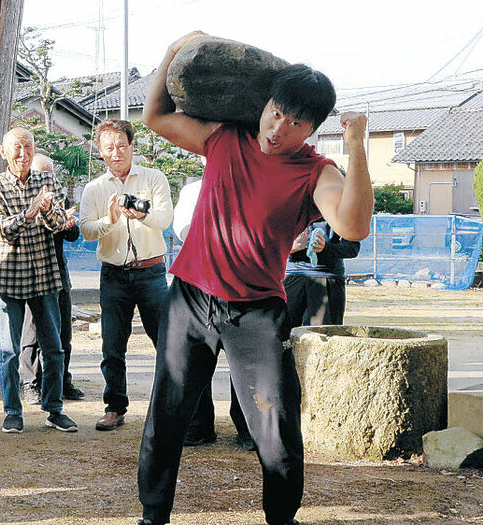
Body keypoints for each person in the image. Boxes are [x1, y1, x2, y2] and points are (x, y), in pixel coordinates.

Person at [137, 32, 373, 525]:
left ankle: (281, 519)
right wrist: (170, 53)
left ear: (312, 129)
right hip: (190, 300)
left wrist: (357, 149)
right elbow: (154, 118)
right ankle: (152, 515)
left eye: (296, 122)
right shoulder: (224, 138)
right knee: (167, 415)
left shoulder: (315, 172)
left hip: (256, 312)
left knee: (276, 426)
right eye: (275, 111)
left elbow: (352, 225)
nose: (278, 127)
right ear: (263, 103)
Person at [79, 119, 173, 432]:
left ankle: (168, 408)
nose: (116, 152)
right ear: (100, 151)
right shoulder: (94, 188)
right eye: (108, 147)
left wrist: (141, 215)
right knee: (112, 346)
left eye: (122, 145)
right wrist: (111, 219)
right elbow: (86, 230)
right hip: (113, 275)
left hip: (151, 271)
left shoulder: (153, 177)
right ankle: (114, 408)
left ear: (132, 146)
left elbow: (164, 218)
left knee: (166, 343)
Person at [0, 128, 77, 434]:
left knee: (54, 346)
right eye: (16, 148)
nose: (22, 153)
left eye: (27, 147)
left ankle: (54, 408)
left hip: (45, 276)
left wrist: (48, 212)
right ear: (3, 152)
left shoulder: (47, 180)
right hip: (9, 277)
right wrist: (30, 211)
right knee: (9, 350)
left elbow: (62, 224)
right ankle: (12, 410)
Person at [173, 171, 254, 450]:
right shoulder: (192, 190)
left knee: (245, 364)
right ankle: (197, 427)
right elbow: (184, 231)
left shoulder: (254, 184)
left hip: (246, 288)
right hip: (201, 285)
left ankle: (249, 429)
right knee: (194, 359)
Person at [19, 153, 84, 404]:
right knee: (31, 333)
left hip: (59, 273)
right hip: (32, 274)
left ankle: (63, 381)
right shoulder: (24, 198)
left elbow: (74, 234)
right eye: (41, 174)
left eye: (50, 174)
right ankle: (31, 384)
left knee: (64, 332)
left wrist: (68, 224)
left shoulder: (61, 198)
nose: (46, 180)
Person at [284, 221, 360, 327]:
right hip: (292, 276)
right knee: (282, 333)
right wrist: (289, 247)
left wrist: (325, 248)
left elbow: (352, 248)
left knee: (322, 335)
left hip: (327, 278)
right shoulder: (291, 211)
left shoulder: (339, 212)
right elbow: (267, 245)